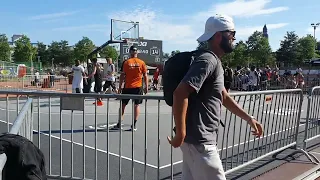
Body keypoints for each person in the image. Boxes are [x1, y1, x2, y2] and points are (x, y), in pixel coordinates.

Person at [167, 14, 263, 180]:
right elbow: (180, 93)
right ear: (218, 35)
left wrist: (249, 118)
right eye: (231, 33)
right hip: (200, 143)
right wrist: (181, 133)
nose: (234, 37)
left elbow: (223, 96)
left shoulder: (213, 61)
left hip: (196, 142)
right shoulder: (208, 60)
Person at [111, 45, 148, 131]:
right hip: (138, 87)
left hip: (128, 87)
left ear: (130, 52)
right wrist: (146, 86)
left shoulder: (126, 62)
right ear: (137, 52)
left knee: (123, 105)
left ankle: (119, 124)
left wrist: (120, 87)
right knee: (136, 105)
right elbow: (145, 75)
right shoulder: (142, 62)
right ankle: (134, 125)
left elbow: (122, 76)